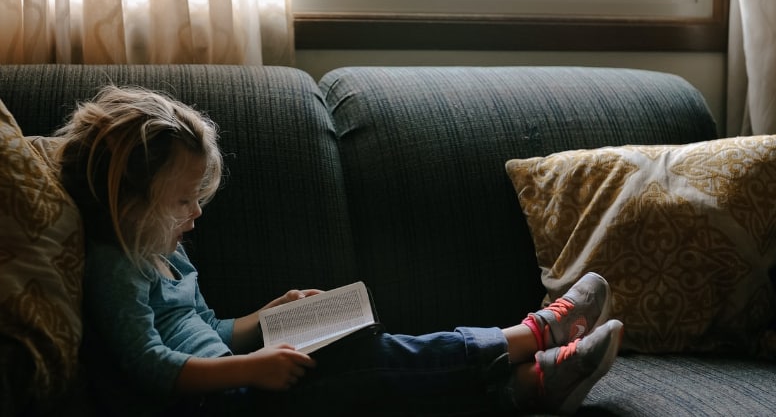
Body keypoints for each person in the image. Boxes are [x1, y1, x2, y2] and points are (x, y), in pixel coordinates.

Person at [55, 85, 623, 416]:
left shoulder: (165, 249)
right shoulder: (115, 268)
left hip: (235, 374)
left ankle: (528, 383)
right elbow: (151, 366)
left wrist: (268, 317)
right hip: (216, 401)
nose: (195, 215)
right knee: (359, 361)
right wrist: (255, 368)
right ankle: (533, 335)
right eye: (181, 201)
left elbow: (207, 327)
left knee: (359, 346)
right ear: (128, 200)